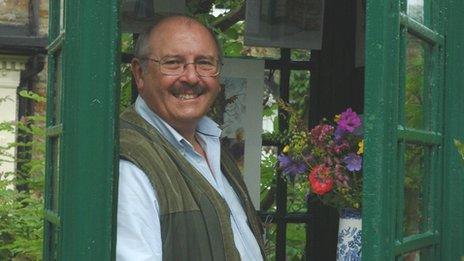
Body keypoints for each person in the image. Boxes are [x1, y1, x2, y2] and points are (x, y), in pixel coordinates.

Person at [117, 15, 265, 261]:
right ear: (140, 73)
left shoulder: (213, 147)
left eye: (205, 63)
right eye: (173, 63)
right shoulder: (131, 164)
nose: (191, 77)